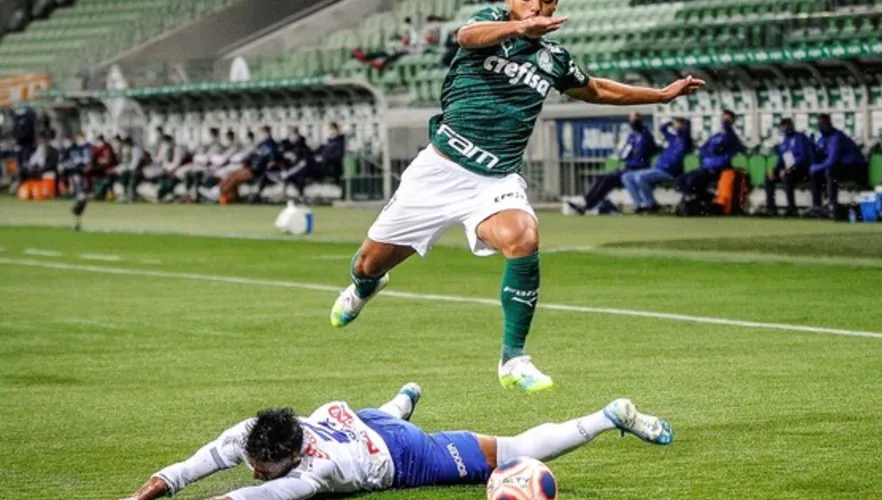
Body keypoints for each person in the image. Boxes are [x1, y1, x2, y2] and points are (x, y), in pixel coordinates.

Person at [329, 0, 704, 394]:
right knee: (368, 263)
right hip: (439, 171)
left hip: (495, 179)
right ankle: (364, 286)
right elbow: (466, 36)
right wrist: (517, 30)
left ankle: (513, 358)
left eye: (550, 1)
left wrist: (659, 96)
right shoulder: (492, 24)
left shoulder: (554, 58)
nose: (540, 5)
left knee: (523, 236)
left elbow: (595, 88)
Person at [116, 382, 672, 500]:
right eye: (254, 463)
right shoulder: (249, 434)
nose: (256, 471)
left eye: (266, 466)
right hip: (359, 419)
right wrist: (146, 493)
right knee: (384, 414)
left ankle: (608, 415)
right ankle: (405, 395)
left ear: (291, 457)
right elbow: (195, 465)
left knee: (507, 452)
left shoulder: (314, 474)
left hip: (403, 454)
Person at [566, 112, 660, 215]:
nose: (633, 122)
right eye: (631, 119)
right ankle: (587, 201)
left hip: (638, 169)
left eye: (635, 119)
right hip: (628, 167)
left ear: (640, 120)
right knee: (603, 178)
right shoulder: (632, 136)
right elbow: (625, 153)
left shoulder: (646, 135)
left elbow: (649, 151)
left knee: (608, 180)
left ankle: (588, 205)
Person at [674, 109, 743, 211]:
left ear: (732, 121)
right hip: (705, 167)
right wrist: (706, 154)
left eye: (727, 119)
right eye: (723, 118)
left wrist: (727, 126)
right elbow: (704, 149)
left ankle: (694, 200)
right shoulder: (716, 136)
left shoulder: (732, 136)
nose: (724, 121)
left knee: (693, 180)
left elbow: (724, 146)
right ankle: (701, 197)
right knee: (680, 180)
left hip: (718, 168)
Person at [622, 117, 692, 213]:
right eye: (676, 124)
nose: (676, 125)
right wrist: (670, 122)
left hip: (670, 172)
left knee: (640, 177)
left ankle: (651, 204)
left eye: (678, 124)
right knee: (626, 177)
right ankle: (639, 205)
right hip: (658, 169)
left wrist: (684, 122)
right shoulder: (673, 139)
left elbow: (687, 128)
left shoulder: (685, 141)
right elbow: (662, 128)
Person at [808, 114, 866, 219]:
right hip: (840, 168)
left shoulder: (837, 137)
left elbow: (832, 161)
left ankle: (831, 204)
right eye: (820, 124)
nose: (822, 126)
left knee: (830, 170)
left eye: (824, 124)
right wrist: (811, 147)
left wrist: (815, 167)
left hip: (854, 168)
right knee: (815, 174)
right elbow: (818, 156)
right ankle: (816, 206)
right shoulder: (822, 139)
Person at [761, 118, 814, 216]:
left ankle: (792, 209)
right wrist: (773, 170)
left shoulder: (800, 137)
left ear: (791, 126)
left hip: (801, 170)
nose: (785, 128)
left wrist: (789, 168)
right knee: (768, 177)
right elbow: (781, 159)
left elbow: (803, 157)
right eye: (783, 126)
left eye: (787, 126)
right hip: (788, 169)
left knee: (787, 175)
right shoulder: (784, 141)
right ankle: (771, 209)